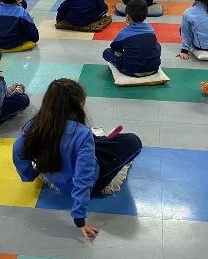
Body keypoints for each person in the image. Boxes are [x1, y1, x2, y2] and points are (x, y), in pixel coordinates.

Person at [13, 79, 142, 239]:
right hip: (90, 183)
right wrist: (79, 219)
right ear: (78, 104)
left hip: (54, 176)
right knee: (132, 141)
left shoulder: (35, 125)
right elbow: (84, 177)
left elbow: (17, 151)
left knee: (95, 143)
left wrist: (29, 174)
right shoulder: (81, 133)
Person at [102, 0, 161, 77]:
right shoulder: (151, 29)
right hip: (153, 69)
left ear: (128, 17)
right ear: (145, 16)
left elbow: (114, 47)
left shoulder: (125, 32)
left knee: (107, 52)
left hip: (131, 71)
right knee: (157, 45)